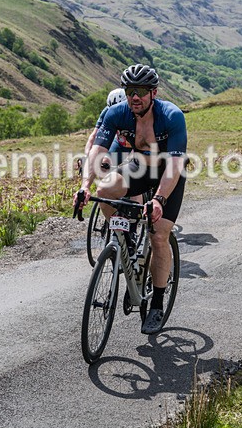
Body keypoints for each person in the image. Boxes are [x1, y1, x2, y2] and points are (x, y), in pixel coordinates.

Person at [75, 64, 187, 335]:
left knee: (159, 236)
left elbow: (174, 167)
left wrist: (159, 199)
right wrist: (84, 186)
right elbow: (97, 151)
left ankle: (157, 303)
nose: (135, 97)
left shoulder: (171, 116)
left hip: (168, 174)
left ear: (153, 93)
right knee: (105, 190)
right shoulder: (116, 113)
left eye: (141, 91)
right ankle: (125, 240)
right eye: (130, 91)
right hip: (138, 168)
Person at [83, 88, 131, 171]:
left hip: (138, 145)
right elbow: (94, 135)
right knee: (104, 164)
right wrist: (86, 157)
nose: (116, 113)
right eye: (113, 110)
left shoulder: (136, 110)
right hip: (121, 143)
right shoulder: (107, 111)